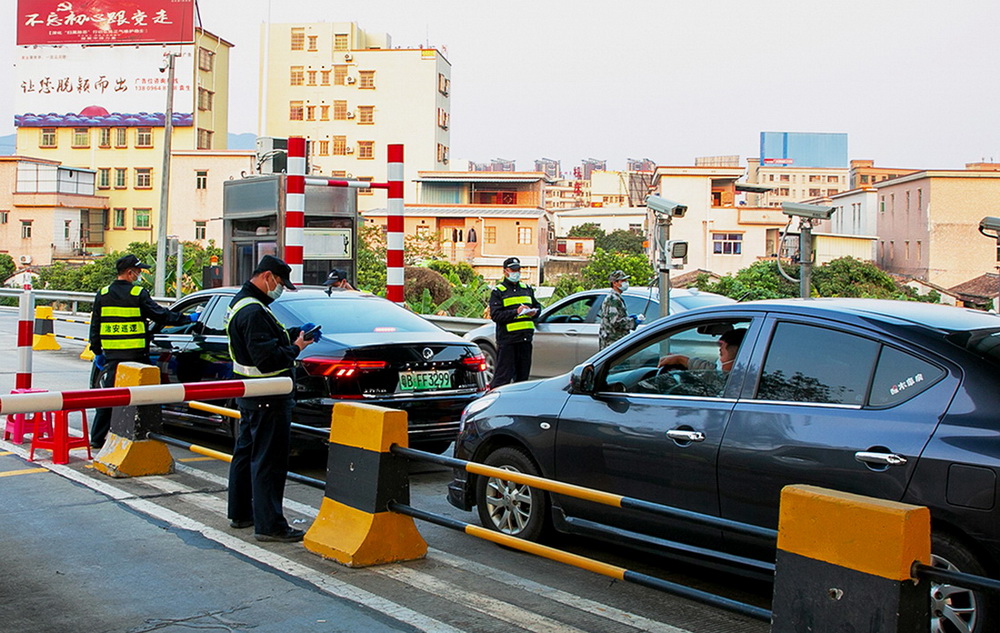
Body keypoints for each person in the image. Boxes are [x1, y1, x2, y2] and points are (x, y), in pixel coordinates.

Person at [225, 255, 317, 543]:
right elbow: (267, 359)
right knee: (269, 462)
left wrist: (290, 335)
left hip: (251, 394)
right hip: (269, 395)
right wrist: (296, 347)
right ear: (267, 277)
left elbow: (260, 342)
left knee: (246, 455)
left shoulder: (244, 303)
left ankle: (241, 513)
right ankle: (270, 525)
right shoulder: (253, 311)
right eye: (279, 283)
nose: (279, 289)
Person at [89, 254, 195, 449]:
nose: (139, 274)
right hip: (136, 356)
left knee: (109, 397)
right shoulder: (138, 293)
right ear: (130, 273)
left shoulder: (103, 293)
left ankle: (96, 438)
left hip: (113, 357)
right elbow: (161, 315)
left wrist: (97, 351)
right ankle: (146, 433)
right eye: (138, 271)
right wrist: (188, 319)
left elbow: (95, 325)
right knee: (146, 396)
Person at [488, 257, 541, 388]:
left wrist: (534, 312)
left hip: (525, 340)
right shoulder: (498, 291)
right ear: (505, 271)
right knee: (503, 377)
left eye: (518, 269)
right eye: (513, 270)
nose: (516, 273)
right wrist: (516, 312)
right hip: (508, 341)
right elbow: (496, 315)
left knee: (522, 378)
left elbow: (538, 307)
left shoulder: (527, 289)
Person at [657, 327, 747, 372]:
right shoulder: (750, 375)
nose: (719, 361)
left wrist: (681, 359)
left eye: (721, 354)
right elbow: (711, 370)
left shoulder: (736, 384)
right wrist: (680, 359)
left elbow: (714, 377)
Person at [598, 270, 637, 350]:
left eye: (626, 280)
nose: (625, 283)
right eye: (622, 281)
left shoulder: (616, 297)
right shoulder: (613, 299)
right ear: (614, 283)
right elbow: (615, 322)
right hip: (612, 343)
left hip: (616, 341)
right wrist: (633, 322)